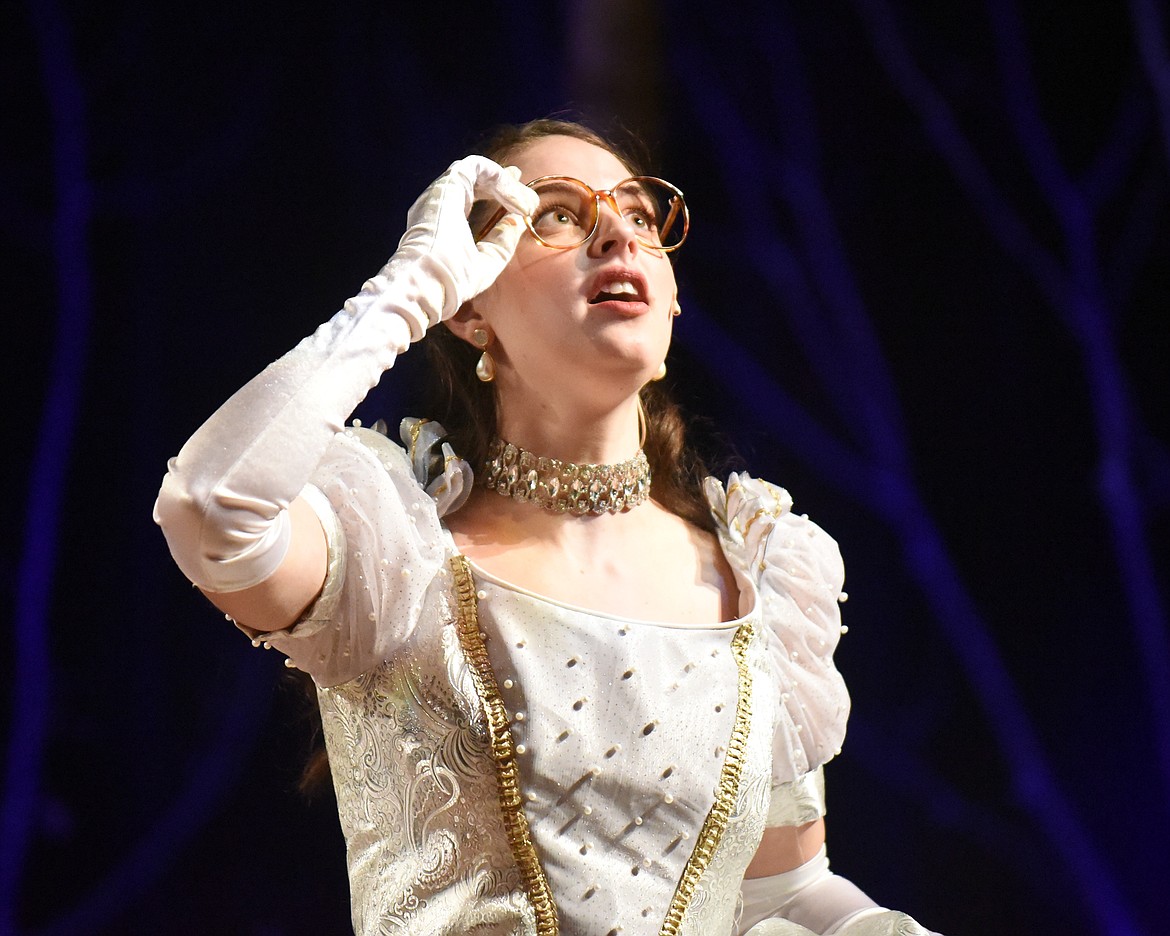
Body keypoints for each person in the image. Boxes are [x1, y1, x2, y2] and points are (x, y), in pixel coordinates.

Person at [154, 119, 944, 936]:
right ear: (469, 309)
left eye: (641, 216)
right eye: (560, 214)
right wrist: (405, 290)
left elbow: (782, 892)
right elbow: (210, 507)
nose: (616, 234)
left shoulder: (765, 577)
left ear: (674, 299)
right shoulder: (397, 553)